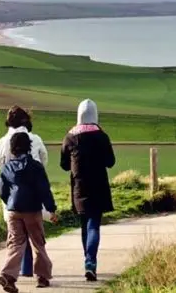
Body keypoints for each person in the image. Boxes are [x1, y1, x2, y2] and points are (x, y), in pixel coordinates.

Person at [61, 99, 115, 282]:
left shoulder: (70, 137)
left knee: (85, 225)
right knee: (93, 224)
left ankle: (88, 261)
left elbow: (64, 165)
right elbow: (110, 162)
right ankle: (90, 262)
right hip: (98, 186)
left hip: (79, 187)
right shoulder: (102, 136)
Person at [0, 133, 58, 292]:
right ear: (28, 146)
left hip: (13, 210)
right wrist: (51, 209)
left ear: (12, 148)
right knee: (38, 243)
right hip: (32, 210)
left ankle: (8, 275)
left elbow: (1, 190)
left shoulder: (7, 167)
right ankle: (42, 277)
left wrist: (10, 201)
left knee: (16, 243)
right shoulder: (36, 166)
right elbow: (44, 189)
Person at [0, 106, 49, 278]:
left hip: (12, 195)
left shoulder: (3, 141)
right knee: (36, 236)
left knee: (16, 236)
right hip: (33, 196)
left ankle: (18, 271)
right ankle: (36, 272)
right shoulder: (36, 139)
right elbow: (44, 159)